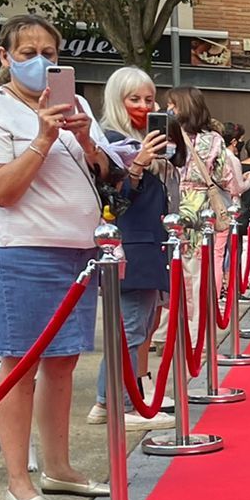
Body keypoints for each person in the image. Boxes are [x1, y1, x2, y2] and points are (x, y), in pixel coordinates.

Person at [0, 14, 125, 500]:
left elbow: (105, 171)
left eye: (49, 53)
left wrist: (83, 139)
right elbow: (1, 190)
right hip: (22, 250)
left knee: (64, 362)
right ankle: (18, 480)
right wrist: (42, 137)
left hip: (77, 250)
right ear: (5, 56)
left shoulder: (74, 102)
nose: (40, 62)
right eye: (28, 52)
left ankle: (58, 466)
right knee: (22, 364)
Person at [90, 66, 175, 428]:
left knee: (134, 327)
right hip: (129, 244)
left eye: (149, 99)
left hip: (147, 242)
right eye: (134, 99)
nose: (143, 105)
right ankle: (119, 404)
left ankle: (109, 399)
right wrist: (138, 162)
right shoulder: (109, 143)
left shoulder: (145, 139)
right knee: (128, 328)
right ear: (117, 100)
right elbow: (115, 200)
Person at [172, 86, 242, 327]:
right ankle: (196, 329)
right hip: (201, 207)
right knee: (198, 268)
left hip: (172, 204)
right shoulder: (213, 140)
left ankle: (167, 329)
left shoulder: (166, 136)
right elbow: (225, 177)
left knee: (173, 268)